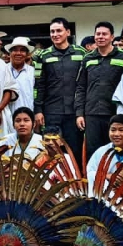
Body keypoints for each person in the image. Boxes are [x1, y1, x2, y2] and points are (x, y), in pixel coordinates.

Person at [75, 21, 123, 159]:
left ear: (112, 37)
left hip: (114, 113)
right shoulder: (87, 58)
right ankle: (94, 180)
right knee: (93, 152)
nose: (100, 37)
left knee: (116, 150)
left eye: (104, 34)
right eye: (98, 34)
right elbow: (81, 87)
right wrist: (79, 114)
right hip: (92, 113)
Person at [33, 17, 84, 155]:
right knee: (52, 150)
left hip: (74, 112)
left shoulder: (81, 53)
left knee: (75, 150)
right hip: (51, 112)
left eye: (59, 31)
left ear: (68, 32)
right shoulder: (42, 56)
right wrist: (38, 110)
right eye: (52, 31)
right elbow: (38, 85)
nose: (55, 34)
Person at [85, 114, 123, 192]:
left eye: (121, 130)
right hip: (104, 195)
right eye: (113, 130)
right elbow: (90, 172)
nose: (116, 134)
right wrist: (107, 176)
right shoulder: (101, 152)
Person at [5, 37, 35, 117]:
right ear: (10, 53)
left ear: (27, 54)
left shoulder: (33, 72)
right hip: (6, 119)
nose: (18, 53)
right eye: (15, 50)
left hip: (28, 119)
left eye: (22, 50)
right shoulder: (2, 70)